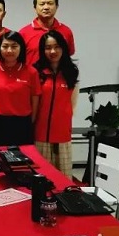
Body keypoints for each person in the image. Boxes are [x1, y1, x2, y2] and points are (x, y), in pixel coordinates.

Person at [34, 30, 80, 178]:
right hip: (40, 135)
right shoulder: (36, 72)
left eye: (57, 47)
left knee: (64, 178)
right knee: (42, 178)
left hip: (62, 135)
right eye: (48, 48)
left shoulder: (71, 72)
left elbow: (72, 104)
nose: (52, 51)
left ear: (63, 48)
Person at [0, 31, 39, 146]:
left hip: (22, 125)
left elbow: (35, 100)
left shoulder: (31, 72)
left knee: (23, 156)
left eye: (14, 46)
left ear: (21, 48)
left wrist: (30, 121)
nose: (9, 50)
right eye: (5, 46)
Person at [20, 0, 75, 68]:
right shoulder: (23, 33)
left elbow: (68, 55)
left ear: (57, 6)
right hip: (33, 76)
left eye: (50, 3)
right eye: (42, 4)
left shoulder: (66, 31)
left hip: (59, 75)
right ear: (35, 7)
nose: (46, 7)